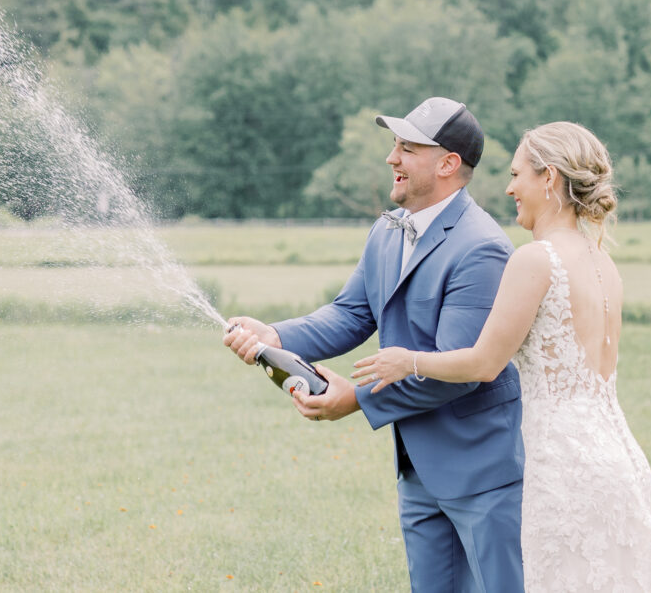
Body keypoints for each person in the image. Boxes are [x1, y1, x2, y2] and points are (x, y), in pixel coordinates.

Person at [354, 122, 651, 591]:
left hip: (557, 460)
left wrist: (408, 361)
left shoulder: (535, 260)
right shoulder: (604, 263)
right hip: (616, 454)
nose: (509, 187)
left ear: (550, 178)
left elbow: (483, 363)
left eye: (518, 174)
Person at [224, 97, 524, 592]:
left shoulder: (481, 247)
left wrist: (356, 399)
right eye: (394, 145)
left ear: (448, 164)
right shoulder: (385, 231)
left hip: (479, 467)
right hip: (416, 466)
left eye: (408, 148)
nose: (392, 158)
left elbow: (460, 369)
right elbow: (350, 313)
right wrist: (275, 335)